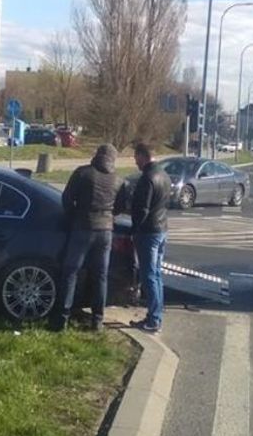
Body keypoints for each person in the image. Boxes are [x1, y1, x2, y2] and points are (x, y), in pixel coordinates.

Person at [49, 144, 128, 332]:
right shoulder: (119, 180)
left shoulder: (83, 173)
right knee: (100, 276)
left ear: (97, 155)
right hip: (106, 231)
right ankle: (97, 320)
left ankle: (62, 319)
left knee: (70, 272)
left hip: (83, 227)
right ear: (113, 159)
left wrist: (74, 216)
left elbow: (67, 199)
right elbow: (120, 207)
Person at [130, 142, 169, 333]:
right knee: (157, 274)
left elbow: (142, 208)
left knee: (149, 275)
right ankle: (156, 314)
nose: (135, 161)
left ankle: (154, 319)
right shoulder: (164, 174)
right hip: (162, 229)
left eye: (136, 157)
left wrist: (135, 229)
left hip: (148, 231)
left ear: (142, 156)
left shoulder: (147, 178)